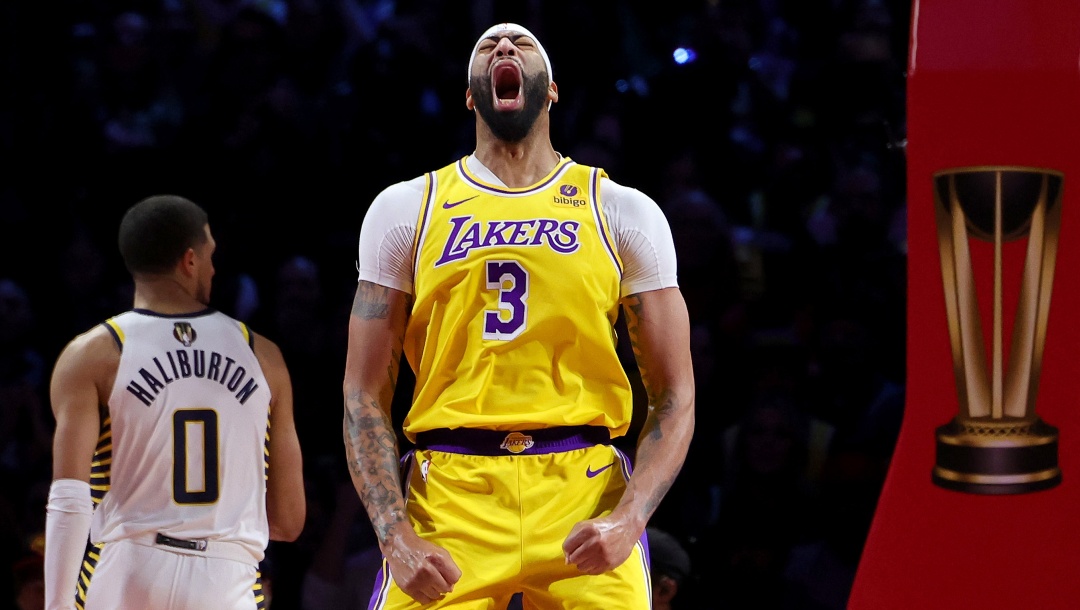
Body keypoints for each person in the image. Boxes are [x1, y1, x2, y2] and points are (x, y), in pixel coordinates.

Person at [342, 22, 695, 609]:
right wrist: (394, 534)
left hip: (583, 492)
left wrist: (630, 518)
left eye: (522, 43)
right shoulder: (406, 209)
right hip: (450, 493)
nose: (504, 46)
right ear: (470, 95)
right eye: (487, 45)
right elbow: (362, 394)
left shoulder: (621, 211)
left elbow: (677, 393)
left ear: (551, 89)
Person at [44, 194, 306, 610]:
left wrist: (56, 604)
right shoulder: (263, 355)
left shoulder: (93, 353)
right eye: (210, 255)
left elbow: (69, 498)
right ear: (190, 260)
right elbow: (289, 521)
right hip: (227, 575)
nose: (214, 268)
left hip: (129, 566)